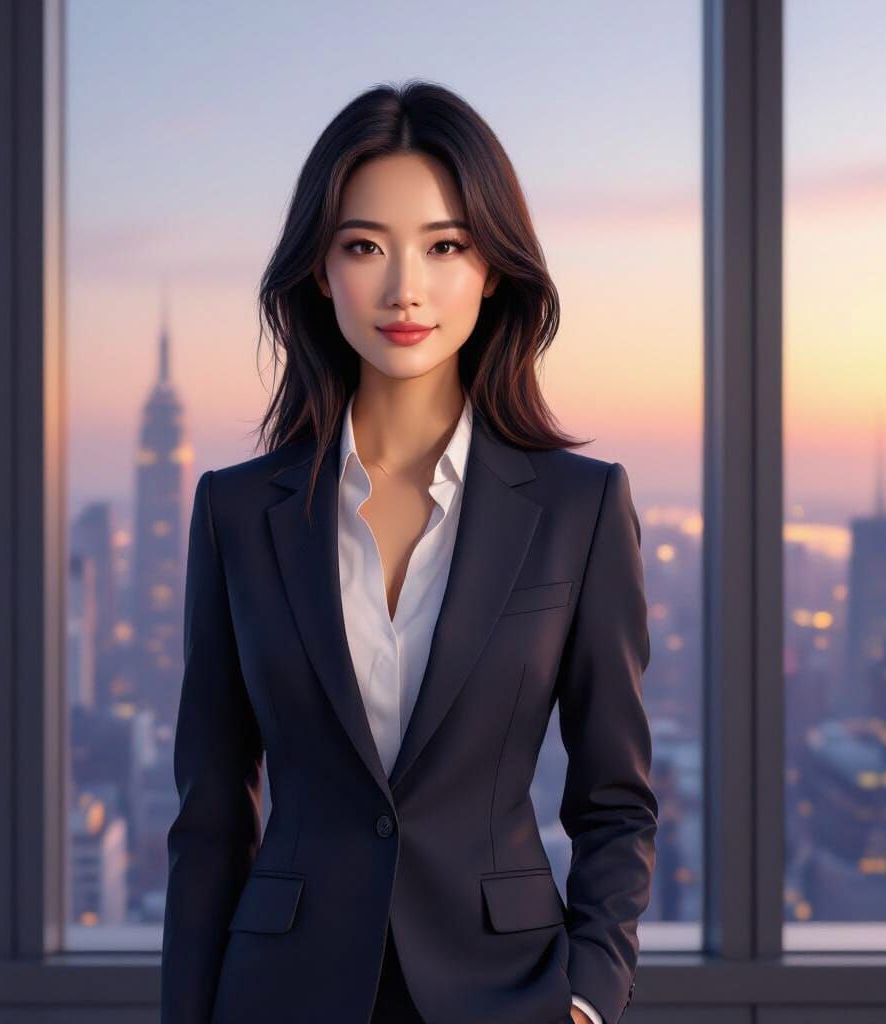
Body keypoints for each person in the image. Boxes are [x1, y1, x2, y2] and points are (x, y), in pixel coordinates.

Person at [160, 79, 658, 1024]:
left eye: (444, 245)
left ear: (494, 267)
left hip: (508, 995)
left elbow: (616, 800)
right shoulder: (235, 512)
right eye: (363, 247)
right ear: (319, 270)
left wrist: (590, 998)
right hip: (279, 996)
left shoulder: (578, 509)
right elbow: (213, 817)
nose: (404, 289)